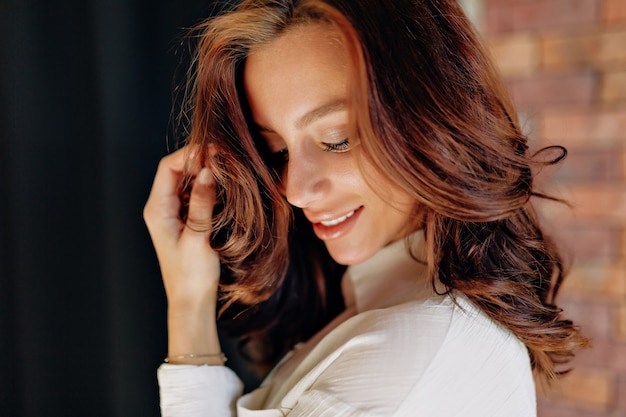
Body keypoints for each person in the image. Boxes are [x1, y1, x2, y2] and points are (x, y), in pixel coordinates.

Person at [143, 0, 589, 415]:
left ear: (430, 113)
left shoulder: (411, 347)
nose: (295, 190)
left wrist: (188, 310)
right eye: (276, 151)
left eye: (336, 139)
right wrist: (188, 299)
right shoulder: (381, 310)